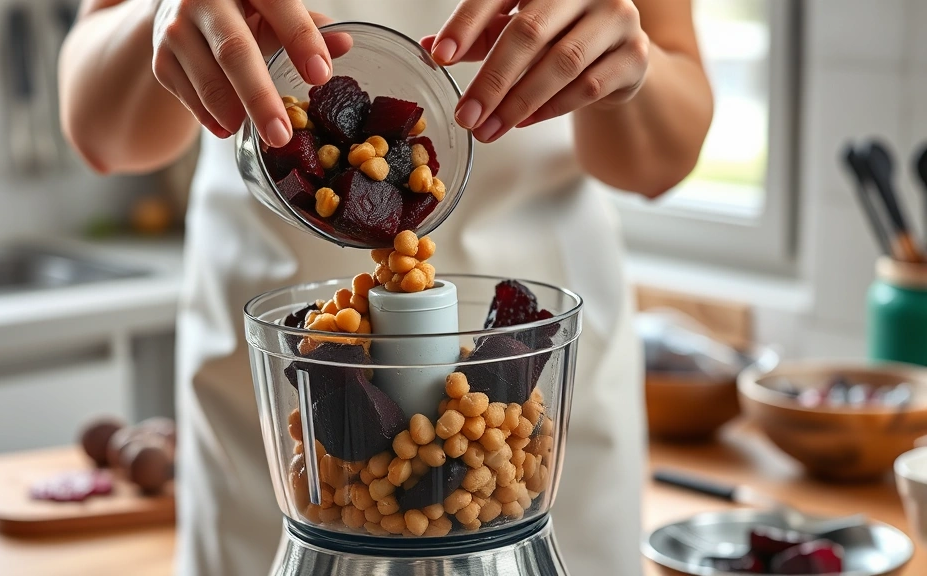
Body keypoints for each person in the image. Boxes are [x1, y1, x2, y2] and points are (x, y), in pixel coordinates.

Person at [59, 1, 712, 573]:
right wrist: (162, 15)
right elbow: (100, 131)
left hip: (533, 415)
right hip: (294, 426)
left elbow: (662, 161)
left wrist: (622, 60)